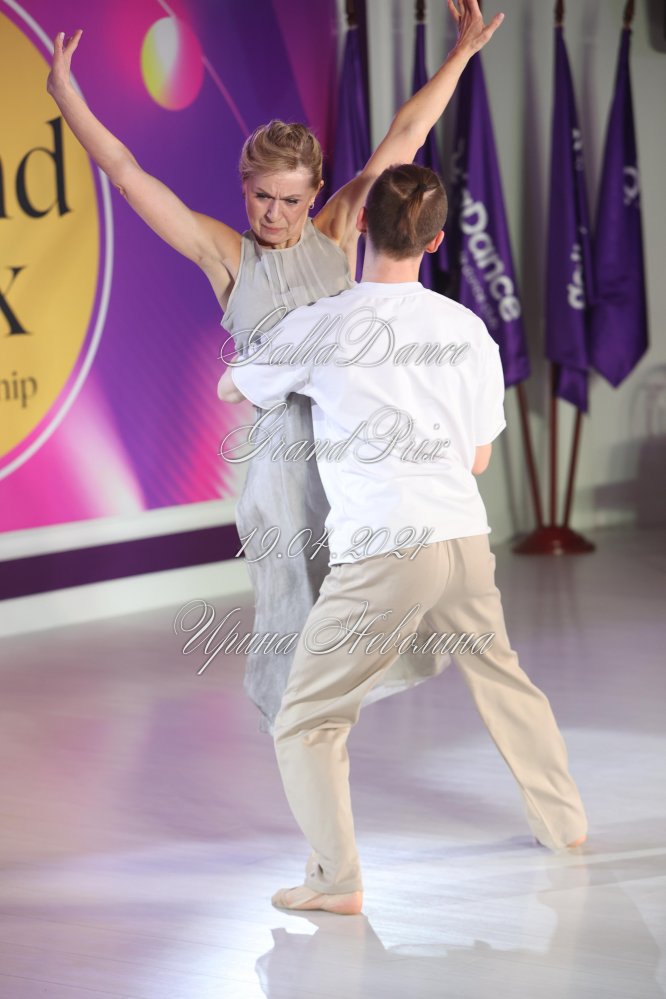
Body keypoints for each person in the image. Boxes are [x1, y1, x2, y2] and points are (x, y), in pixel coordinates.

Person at [46, 2, 504, 733]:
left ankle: (325, 726)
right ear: (244, 188)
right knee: (296, 618)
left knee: (383, 600)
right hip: (282, 470)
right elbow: (129, 176)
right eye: (262, 196)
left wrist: (460, 55)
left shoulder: (338, 229)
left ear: (315, 194)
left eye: (291, 199)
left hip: (351, 452)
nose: (275, 213)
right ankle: (302, 738)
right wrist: (68, 97)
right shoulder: (226, 255)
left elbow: (407, 135)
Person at [219, 163, 588, 915]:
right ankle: (565, 824)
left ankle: (335, 881)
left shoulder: (324, 323)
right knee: (503, 678)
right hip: (463, 540)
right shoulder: (466, 329)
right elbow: (478, 458)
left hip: (385, 551)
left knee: (307, 718)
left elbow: (234, 386)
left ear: (361, 227)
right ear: (436, 241)